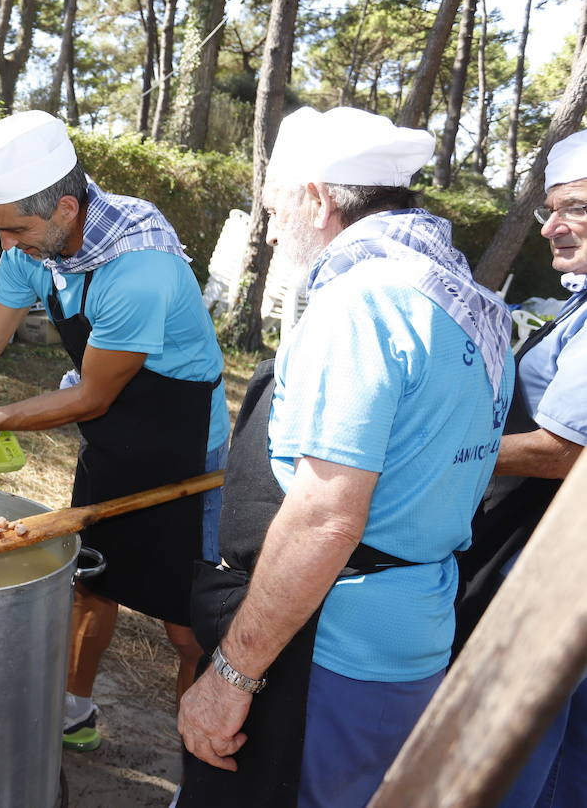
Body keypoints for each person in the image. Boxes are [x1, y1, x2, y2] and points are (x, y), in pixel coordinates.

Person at [177, 107, 514, 808]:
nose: (270, 232)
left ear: (320, 199)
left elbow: (326, 517)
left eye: (275, 210)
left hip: (335, 645)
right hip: (415, 627)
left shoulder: (363, 305)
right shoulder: (467, 301)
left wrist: (229, 677)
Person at [0, 110, 231, 751]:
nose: (6, 247)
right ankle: (75, 711)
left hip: (184, 443)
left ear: (63, 207)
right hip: (115, 434)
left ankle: (202, 757)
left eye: (16, 230)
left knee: (186, 624)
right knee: (92, 575)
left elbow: (91, 394)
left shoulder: (140, 269)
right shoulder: (36, 250)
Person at [456, 129, 587, 808]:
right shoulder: (579, 300)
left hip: (558, 578)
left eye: (577, 208)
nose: (552, 229)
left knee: (525, 756)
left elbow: (563, 451)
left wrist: (439, 452)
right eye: (549, 211)